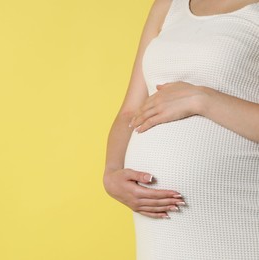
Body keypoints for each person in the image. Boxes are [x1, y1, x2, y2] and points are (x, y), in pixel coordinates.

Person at [102, 0, 259, 259]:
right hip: (162, 231)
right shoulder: (168, 5)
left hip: (238, 218)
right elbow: (130, 111)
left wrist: (203, 100)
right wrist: (111, 172)